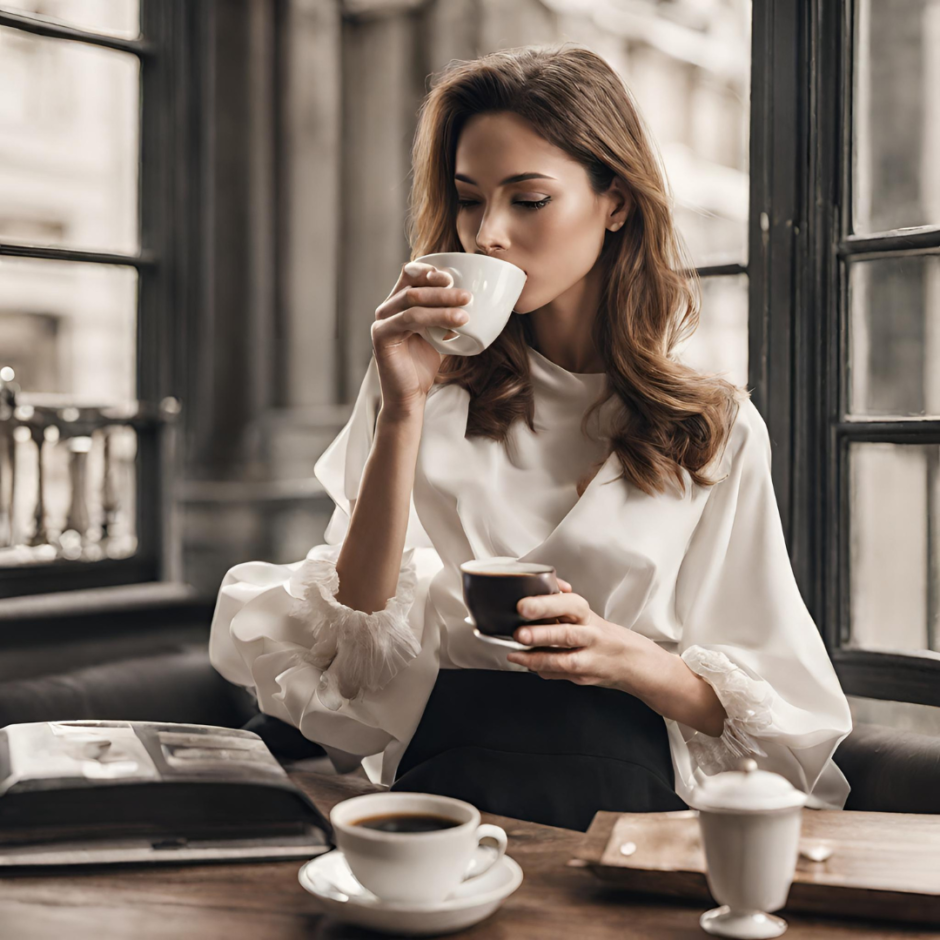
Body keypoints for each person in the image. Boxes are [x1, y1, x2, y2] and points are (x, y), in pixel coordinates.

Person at [209, 43, 852, 832]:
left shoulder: (709, 427)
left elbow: (776, 713)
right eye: (470, 199)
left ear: (614, 200)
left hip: (620, 780)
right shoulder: (421, 383)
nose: (487, 234)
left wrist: (629, 660)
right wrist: (403, 409)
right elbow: (358, 642)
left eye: (529, 199)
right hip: (448, 774)